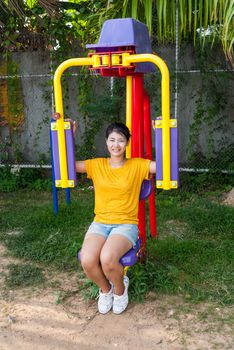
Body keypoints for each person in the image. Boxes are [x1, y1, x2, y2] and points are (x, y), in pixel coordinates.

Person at [75, 122, 156, 314]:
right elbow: (66, 164)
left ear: (127, 143)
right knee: (87, 260)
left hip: (125, 224)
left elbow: (164, 165)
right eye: (112, 140)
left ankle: (120, 291)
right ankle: (106, 289)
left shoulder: (137, 165)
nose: (116, 144)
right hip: (100, 223)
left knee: (107, 258)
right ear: (106, 142)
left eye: (121, 140)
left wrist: (160, 134)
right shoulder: (97, 165)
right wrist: (70, 135)